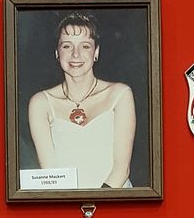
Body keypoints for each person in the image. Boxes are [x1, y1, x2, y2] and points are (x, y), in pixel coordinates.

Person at [26, 12, 137, 188]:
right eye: (67, 46)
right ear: (57, 52)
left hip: (114, 198)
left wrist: (96, 201)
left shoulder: (120, 94)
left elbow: (122, 170)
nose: (75, 54)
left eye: (85, 46)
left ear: (96, 52)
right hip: (66, 201)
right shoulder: (41, 103)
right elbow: (50, 173)